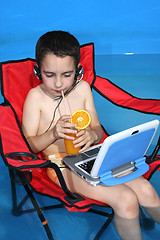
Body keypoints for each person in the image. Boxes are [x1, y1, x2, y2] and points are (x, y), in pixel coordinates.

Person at [22, 30, 160, 240]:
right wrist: (52, 134)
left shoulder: (83, 88)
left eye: (66, 75)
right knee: (125, 199)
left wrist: (91, 135)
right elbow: (29, 146)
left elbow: (96, 128)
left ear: (78, 71)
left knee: (145, 188)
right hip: (59, 165)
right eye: (49, 75)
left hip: (93, 155)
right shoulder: (36, 98)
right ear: (37, 70)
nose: (58, 83)